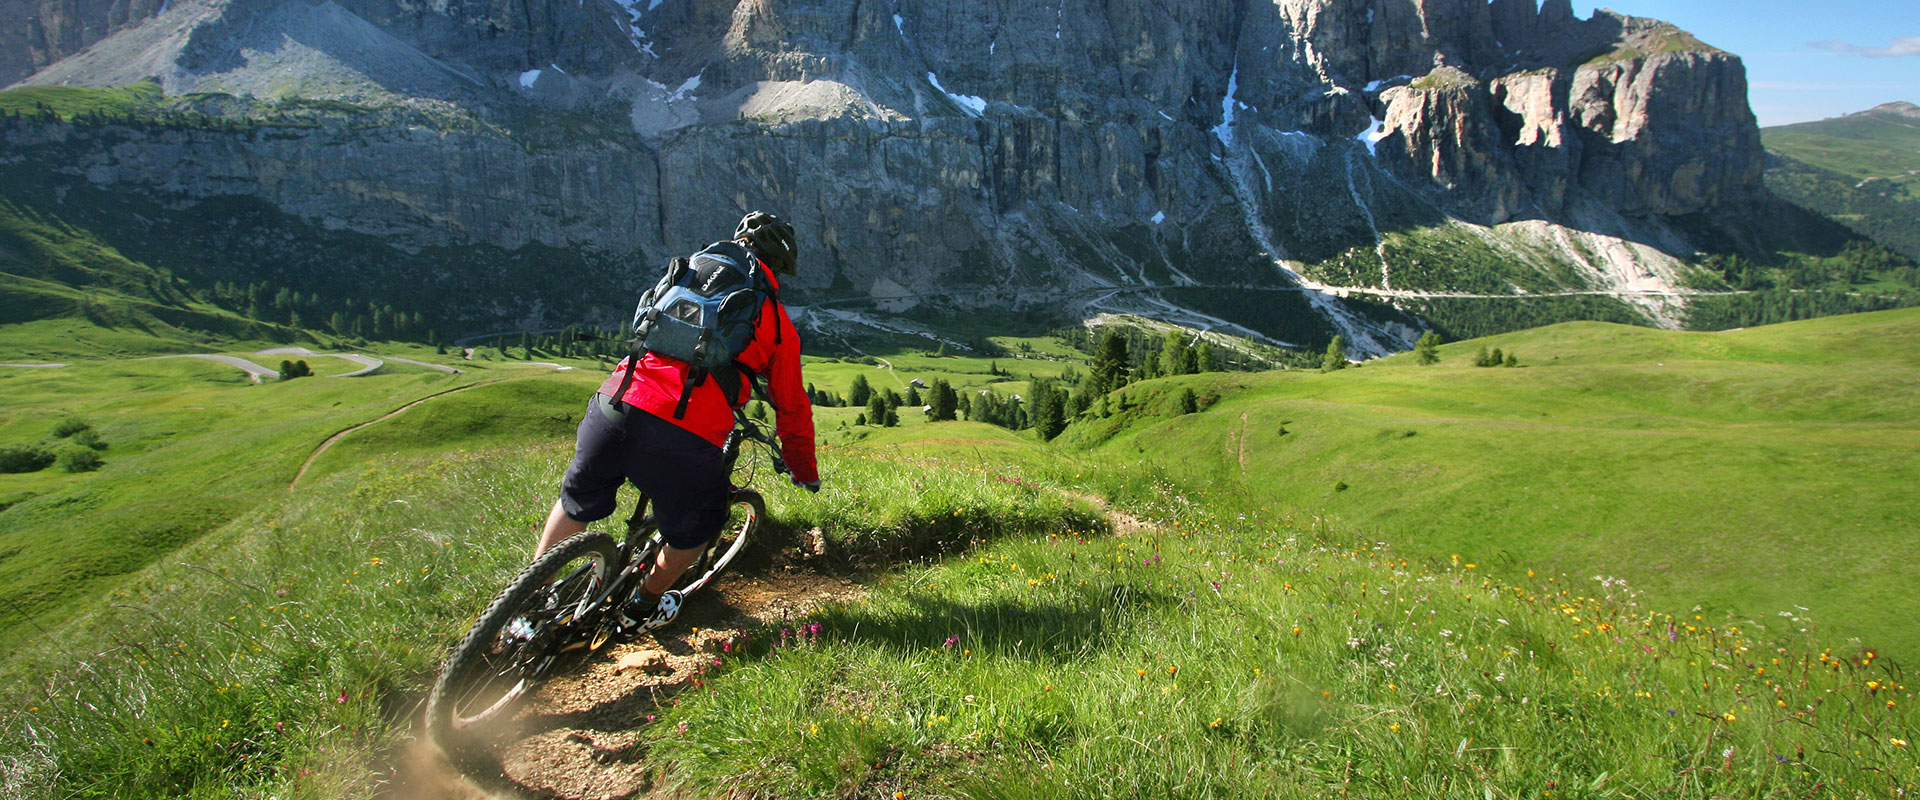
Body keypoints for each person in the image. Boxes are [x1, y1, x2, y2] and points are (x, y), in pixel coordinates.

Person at [532, 211, 820, 632]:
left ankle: (529, 600)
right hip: (684, 432)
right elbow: (791, 407)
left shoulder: (682, 276)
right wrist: (802, 469)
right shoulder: (773, 320)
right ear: (779, 266)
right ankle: (641, 607)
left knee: (578, 499)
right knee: (698, 527)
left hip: (614, 402)